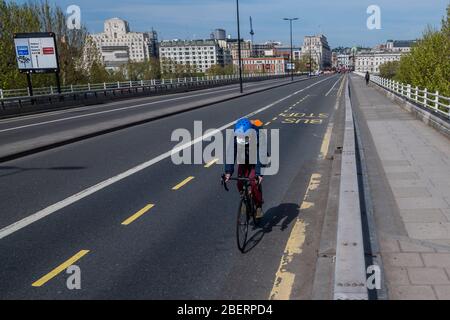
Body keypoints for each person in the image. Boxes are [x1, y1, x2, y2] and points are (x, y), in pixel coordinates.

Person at [224, 118, 264, 219]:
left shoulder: (258, 136)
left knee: (253, 182)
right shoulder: (236, 133)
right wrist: (228, 172)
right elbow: (231, 152)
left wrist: (259, 174)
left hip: (256, 159)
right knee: (239, 182)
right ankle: (245, 199)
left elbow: (261, 155)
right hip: (244, 158)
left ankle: (259, 205)